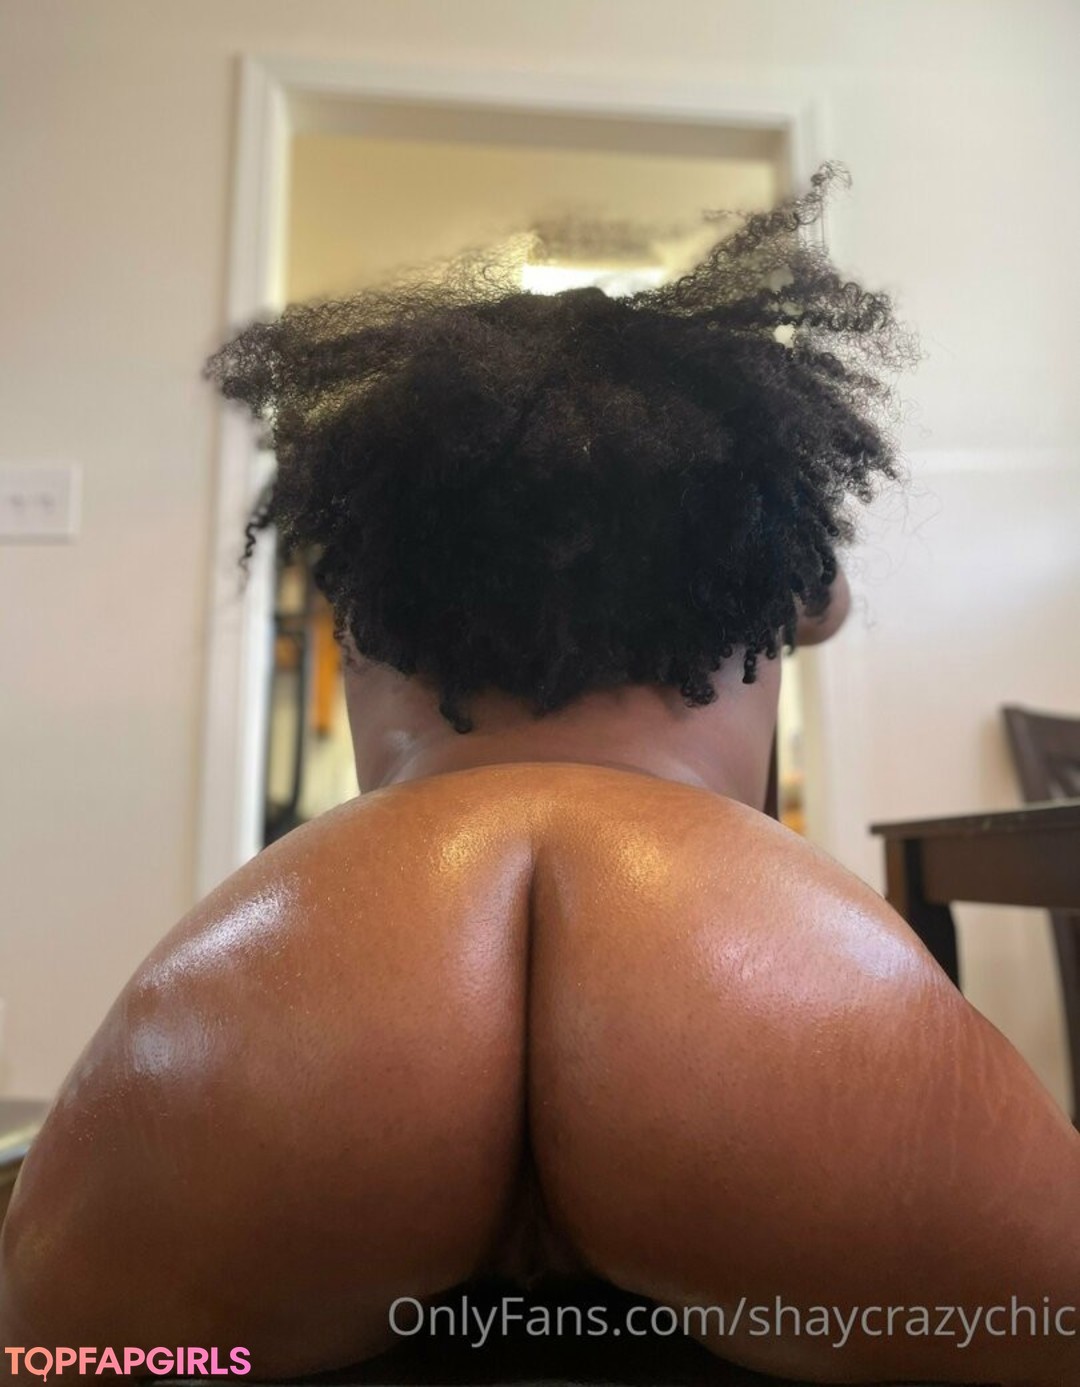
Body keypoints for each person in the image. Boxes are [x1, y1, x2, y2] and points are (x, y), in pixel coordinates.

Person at [1, 164, 1076, 1387]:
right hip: (761, 980)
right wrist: (765, 522)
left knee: (63, 1354)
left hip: (308, 989)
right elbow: (821, 601)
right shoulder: (769, 570)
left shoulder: (381, 570)